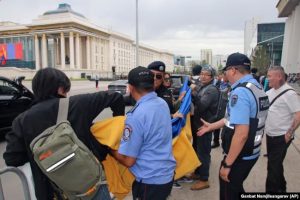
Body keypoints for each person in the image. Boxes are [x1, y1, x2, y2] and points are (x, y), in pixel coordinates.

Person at [3, 68, 125, 200]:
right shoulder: (79, 104)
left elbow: (12, 159)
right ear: (60, 88)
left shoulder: (22, 121)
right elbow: (116, 97)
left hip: (52, 192)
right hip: (90, 187)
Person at [197, 53, 269, 200]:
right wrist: (212, 126)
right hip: (251, 151)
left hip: (239, 155)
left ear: (233, 70)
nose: (225, 74)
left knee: (228, 193)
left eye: (226, 71)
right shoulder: (256, 87)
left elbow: (241, 134)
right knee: (236, 188)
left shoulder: (240, 92)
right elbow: (230, 119)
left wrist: (228, 164)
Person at [111, 66, 176, 200]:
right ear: (152, 83)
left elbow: (129, 161)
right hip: (166, 174)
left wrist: (108, 149)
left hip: (149, 181)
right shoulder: (162, 103)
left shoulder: (135, 116)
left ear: (130, 87)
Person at [265, 66, 300, 192]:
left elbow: (298, 115)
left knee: (273, 167)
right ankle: (282, 189)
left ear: (279, 76)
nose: (267, 78)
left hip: (281, 136)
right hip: (270, 135)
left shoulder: (290, 93)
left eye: (269, 76)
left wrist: (289, 133)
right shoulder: (270, 92)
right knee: (276, 165)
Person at [190, 66, 219, 190]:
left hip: (205, 125)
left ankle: (204, 179)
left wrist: (194, 92)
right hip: (198, 125)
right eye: (201, 73)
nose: (202, 76)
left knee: (203, 153)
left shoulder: (211, 90)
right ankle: (198, 172)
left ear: (212, 77)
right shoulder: (203, 86)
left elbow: (201, 106)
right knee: (196, 149)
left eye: (206, 74)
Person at [211, 72, 230, 148]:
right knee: (217, 124)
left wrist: (217, 90)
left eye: (223, 75)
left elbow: (224, 92)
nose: (222, 77)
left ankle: (225, 142)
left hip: (226, 108)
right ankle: (216, 141)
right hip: (219, 107)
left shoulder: (230, 85)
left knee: (225, 125)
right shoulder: (220, 83)